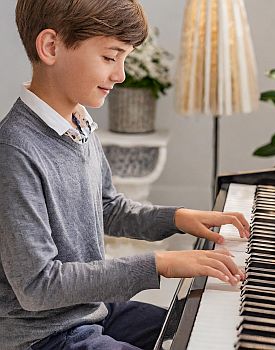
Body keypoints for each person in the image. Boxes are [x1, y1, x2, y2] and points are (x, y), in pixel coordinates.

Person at [0, 1, 250, 349]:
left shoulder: (79, 124)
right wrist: (159, 263)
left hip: (92, 310)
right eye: (110, 57)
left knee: (206, 335)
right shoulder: (14, 149)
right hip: (44, 335)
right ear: (51, 47)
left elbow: (107, 207)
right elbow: (37, 285)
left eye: (125, 58)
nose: (121, 74)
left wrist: (177, 218)